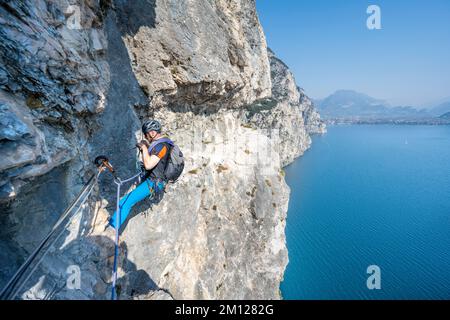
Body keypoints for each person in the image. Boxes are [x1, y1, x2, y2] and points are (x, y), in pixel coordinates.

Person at [108, 119, 171, 229]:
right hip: (153, 181)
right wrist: (145, 149)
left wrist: (144, 148)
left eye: (146, 135)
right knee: (125, 202)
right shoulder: (162, 144)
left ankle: (112, 230)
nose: (146, 138)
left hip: (153, 183)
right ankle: (113, 228)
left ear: (152, 133)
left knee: (124, 203)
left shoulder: (162, 146)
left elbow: (148, 165)